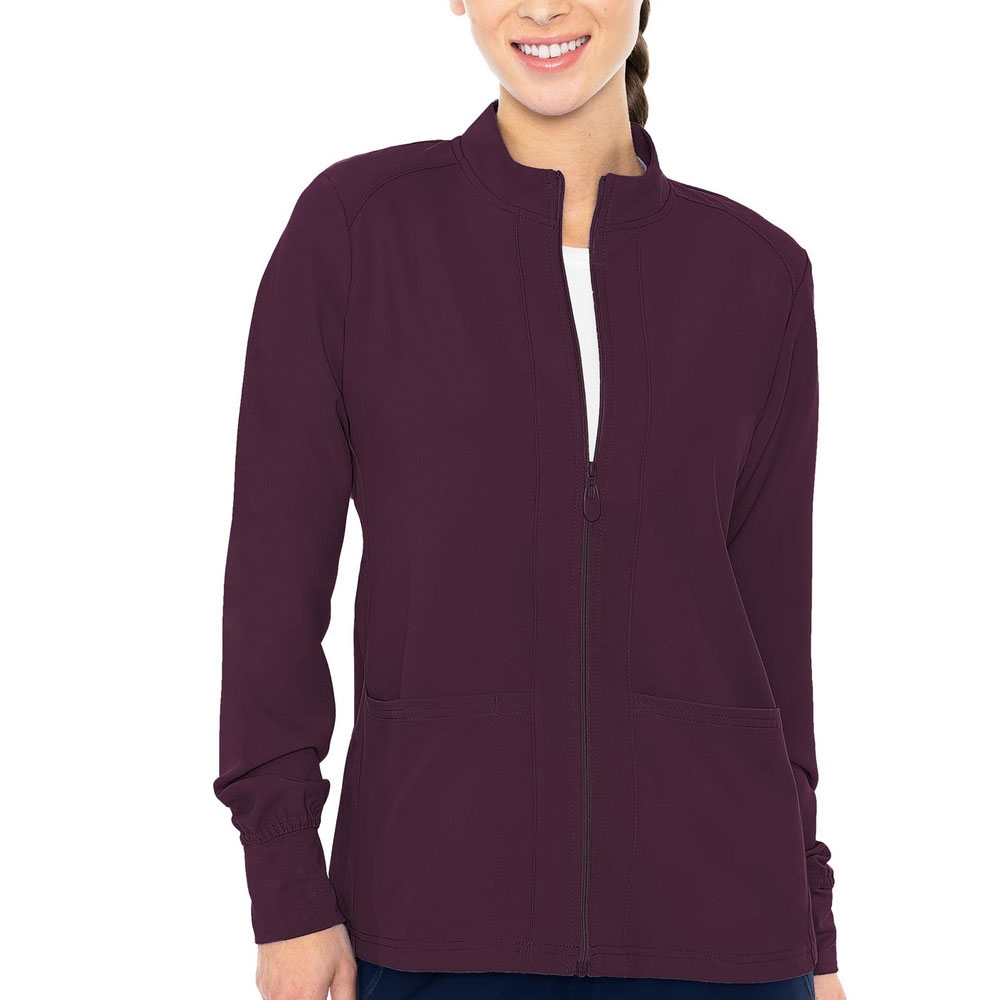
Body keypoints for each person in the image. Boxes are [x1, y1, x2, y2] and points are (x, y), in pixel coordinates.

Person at [213, 2, 848, 999]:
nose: (544, 6)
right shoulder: (359, 232)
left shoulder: (758, 274)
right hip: (431, 920)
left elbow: (773, 640)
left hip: (723, 937)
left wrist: (811, 929)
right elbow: (270, 596)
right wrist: (286, 889)